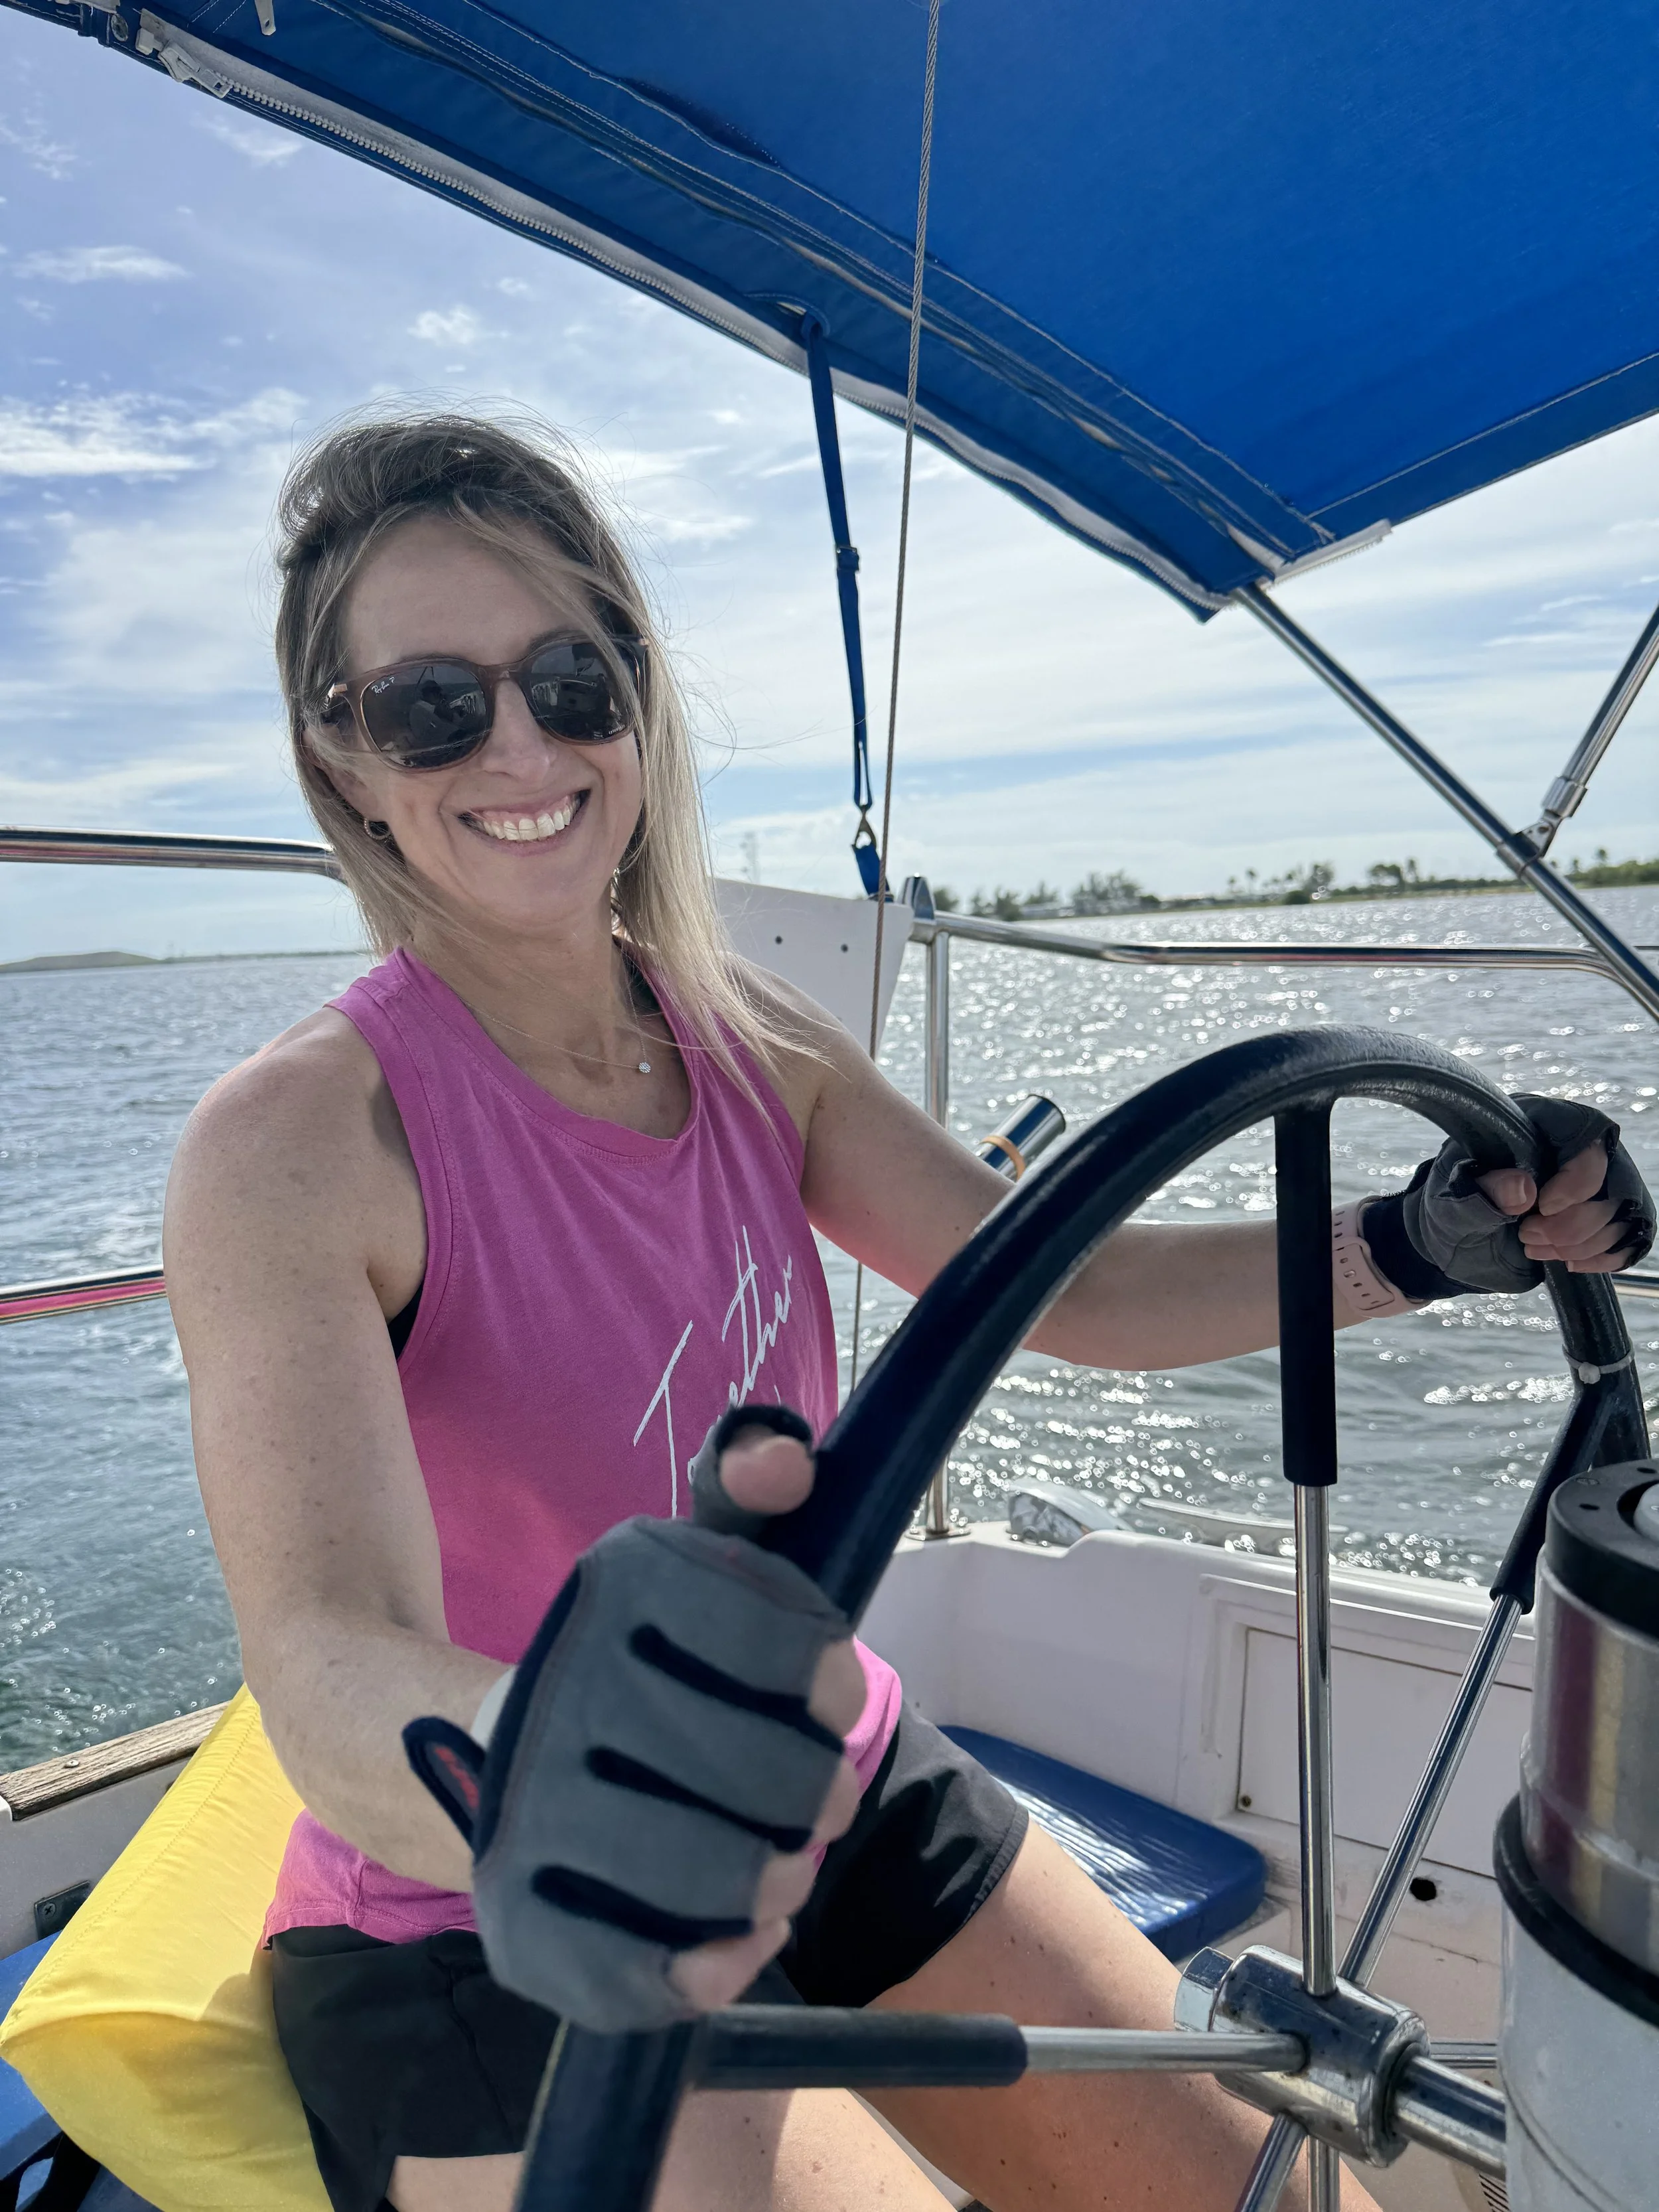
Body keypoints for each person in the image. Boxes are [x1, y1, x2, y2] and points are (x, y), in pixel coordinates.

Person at [165, 413, 1652, 2212]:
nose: (523, 744)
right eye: (434, 706)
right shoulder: (296, 1141)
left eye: (572, 675)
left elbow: (1073, 1286)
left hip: (826, 1767)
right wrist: (560, 1788)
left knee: (1276, 2202)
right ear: (351, 761)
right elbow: (326, 1658)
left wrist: (1415, 1244)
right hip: (484, 1902)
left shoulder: (756, 1044)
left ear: (635, 698)